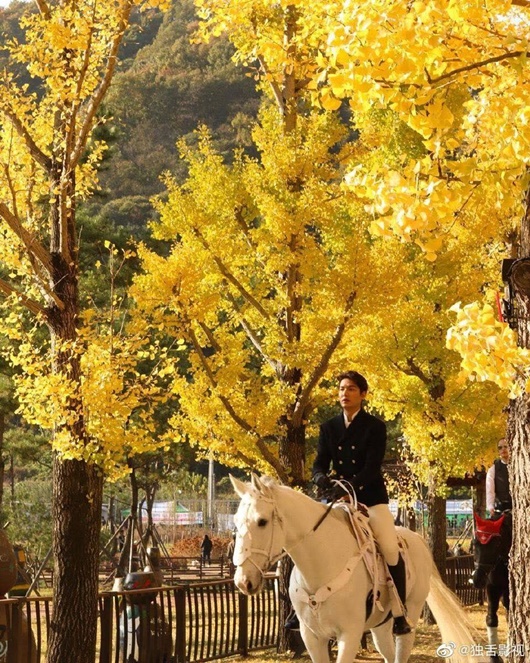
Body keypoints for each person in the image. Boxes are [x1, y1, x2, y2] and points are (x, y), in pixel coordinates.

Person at [312, 370, 411, 636]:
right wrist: (319, 476)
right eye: (341, 389)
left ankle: (400, 612)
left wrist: (349, 488)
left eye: (351, 389)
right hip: (337, 498)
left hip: (370, 498)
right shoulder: (328, 427)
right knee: (310, 536)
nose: (344, 393)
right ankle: (298, 608)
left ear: (363, 394)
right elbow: (320, 462)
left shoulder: (375, 426)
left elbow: (371, 467)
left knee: (389, 547)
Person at [486, 439, 512, 517]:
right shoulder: (493, 469)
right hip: (502, 510)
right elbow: (490, 490)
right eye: (500, 447)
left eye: (505, 446)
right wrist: (490, 506)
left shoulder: (521, 465)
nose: (503, 449)